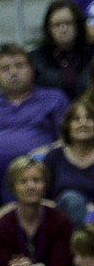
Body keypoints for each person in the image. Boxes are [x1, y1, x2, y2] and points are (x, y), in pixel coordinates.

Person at [0, 44, 69, 160]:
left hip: (41, 167)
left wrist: (50, 151)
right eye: (5, 69)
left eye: (19, 66)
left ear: (32, 70)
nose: (13, 73)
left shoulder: (54, 99)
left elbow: (68, 137)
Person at [0, 156, 72, 266]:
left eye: (36, 180)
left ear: (45, 184)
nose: (31, 186)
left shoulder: (60, 221)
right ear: (13, 187)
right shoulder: (3, 225)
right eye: (23, 182)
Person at [42, 96, 94, 229]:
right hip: (61, 222)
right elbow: (40, 198)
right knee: (72, 199)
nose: (83, 123)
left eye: (89, 119)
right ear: (68, 126)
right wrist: (79, 209)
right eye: (77, 119)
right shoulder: (54, 157)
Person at [29, 0, 93, 100]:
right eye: (57, 25)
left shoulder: (91, 54)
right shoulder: (36, 59)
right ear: (48, 29)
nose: (63, 29)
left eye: (68, 23)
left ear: (78, 25)